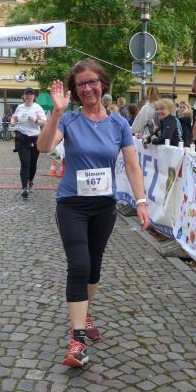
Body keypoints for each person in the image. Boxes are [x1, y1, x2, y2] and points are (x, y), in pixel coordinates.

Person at [37, 59, 150, 368]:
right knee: (79, 265)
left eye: (92, 82)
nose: (87, 88)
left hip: (103, 207)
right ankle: (77, 341)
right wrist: (56, 112)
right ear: (74, 91)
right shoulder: (69, 120)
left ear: (102, 84)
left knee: (94, 267)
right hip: (72, 204)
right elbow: (44, 147)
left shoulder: (119, 124)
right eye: (81, 84)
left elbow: (132, 165)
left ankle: (85, 313)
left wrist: (141, 201)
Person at [11, 87, 46, 198]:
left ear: (34, 96)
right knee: (25, 163)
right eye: (27, 94)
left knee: (32, 163)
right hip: (22, 137)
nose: (29, 96)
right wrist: (12, 122)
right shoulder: (20, 107)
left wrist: (35, 120)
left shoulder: (37, 107)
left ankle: (30, 181)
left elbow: (45, 122)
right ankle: (24, 187)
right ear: (24, 96)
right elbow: (14, 117)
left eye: (31, 94)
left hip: (35, 138)